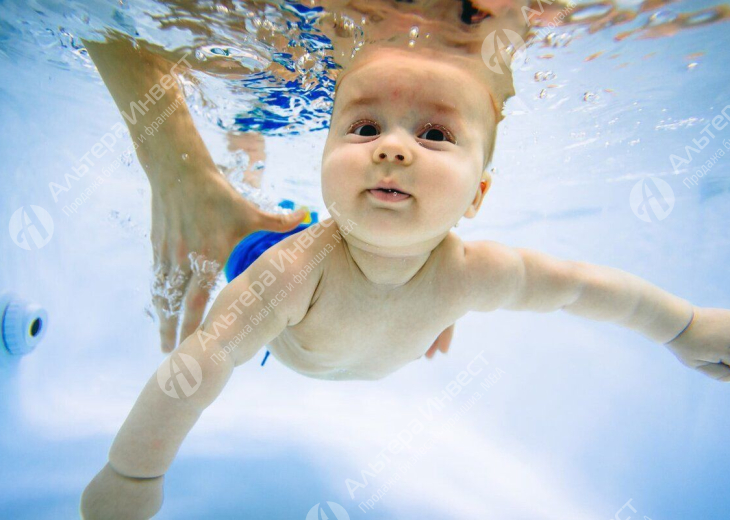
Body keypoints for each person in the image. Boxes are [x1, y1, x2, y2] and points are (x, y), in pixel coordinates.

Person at [80, 25, 730, 519]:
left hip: (381, 326)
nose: (393, 146)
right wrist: (134, 473)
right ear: (326, 152)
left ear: (478, 193)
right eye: (364, 128)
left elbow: (587, 289)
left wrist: (686, 327)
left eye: (436, 135)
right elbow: (200, 367)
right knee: (265, 224)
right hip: (270, 268)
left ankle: (250, 153)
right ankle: (246, 153)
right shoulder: (291, 272)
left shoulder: (478, 272)